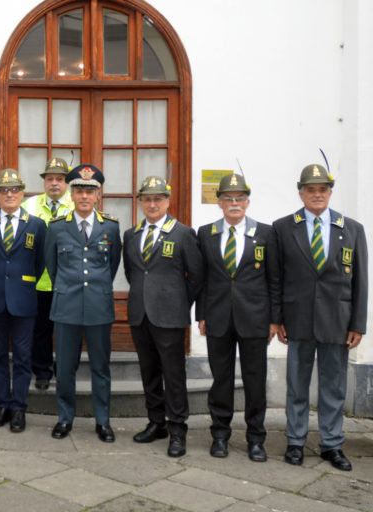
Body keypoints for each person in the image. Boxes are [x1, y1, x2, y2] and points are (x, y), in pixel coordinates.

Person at [274, 163, 367, 471]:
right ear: (301, 193)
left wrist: (358, 324)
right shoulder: (284, 227)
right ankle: (296, 441)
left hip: (337, 322)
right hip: (297, 318)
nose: (317, 195)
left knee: (333, 386)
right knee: (297, 386)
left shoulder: (351, 229)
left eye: (322, 190)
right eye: (310, 190)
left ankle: (332, 444)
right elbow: (277, 278)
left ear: (330, 192)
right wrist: (278, 319)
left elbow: (361, 282)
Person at [196, 173, 279, 462]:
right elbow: (203, 278)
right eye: (228, 198)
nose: (234, 203)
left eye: (239, 198)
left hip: (255, 318)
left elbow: (274, 280)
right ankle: (220, 434)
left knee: (255, 381)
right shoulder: (206, 233)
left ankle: (256, 438)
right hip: (218, 316)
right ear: (218, 202)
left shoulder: (266, 234)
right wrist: (202, 313)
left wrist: (274, 320)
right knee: (221, 379)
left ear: (247, 201)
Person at [123, 176, 203, 457]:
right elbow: (132, 273)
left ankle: (178, 429)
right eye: (147, 199)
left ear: (168, 201)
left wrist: (179, 302)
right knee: (149, 372)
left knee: (174, 374)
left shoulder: (182, 233)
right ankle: (156, 422)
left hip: (170, 316)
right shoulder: (131, 235)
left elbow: (195, 277)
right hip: (140, 315)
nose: (152, 204)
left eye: (158, 198)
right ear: (141, 203)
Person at [45, 164, 121, 442]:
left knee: (101, 368)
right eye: (79, 190)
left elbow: (111, 267)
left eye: (90, 191)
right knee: (65, 368)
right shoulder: (57, 228)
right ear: (71, 194)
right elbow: (52, 268)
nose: (84, 196)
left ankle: (103, 422)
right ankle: (65, 418)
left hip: (99, 308)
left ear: (98, 194)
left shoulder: (110, 228)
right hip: (66, 307)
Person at [0, 169, 46, 433]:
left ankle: (19, 408)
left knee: (22, 357)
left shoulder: (36, 225)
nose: (10, 194)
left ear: (22, 193)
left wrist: (21, 282)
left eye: (15, 190)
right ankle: (2, 404)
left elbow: (40, 263)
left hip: (24, 299)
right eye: (4, 190)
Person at [21, 157, 74, 390]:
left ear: (67, 183)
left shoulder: (77, 204)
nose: (54, 183)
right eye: (50, 179)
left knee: (66, 331)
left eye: (60, 179)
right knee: (40, 330)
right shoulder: (29, 205)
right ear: (44, 182)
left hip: (68, 281)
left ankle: (64, 371)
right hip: (39, 280)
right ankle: (42, 371)